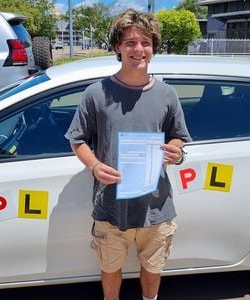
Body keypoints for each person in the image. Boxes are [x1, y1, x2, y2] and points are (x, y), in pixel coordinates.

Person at [65, 8, 191, 300]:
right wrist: (95, 166)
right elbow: (77, 140)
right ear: (117, 47)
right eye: (131, 42)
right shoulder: (96, 94)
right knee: (110, 269)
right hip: (110, 207)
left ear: (153, 48)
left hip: (156, 206)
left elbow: (179, 137)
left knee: (153, 268)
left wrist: (176, 152)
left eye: (145, 42)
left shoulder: (167, 95)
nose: (139, 49)